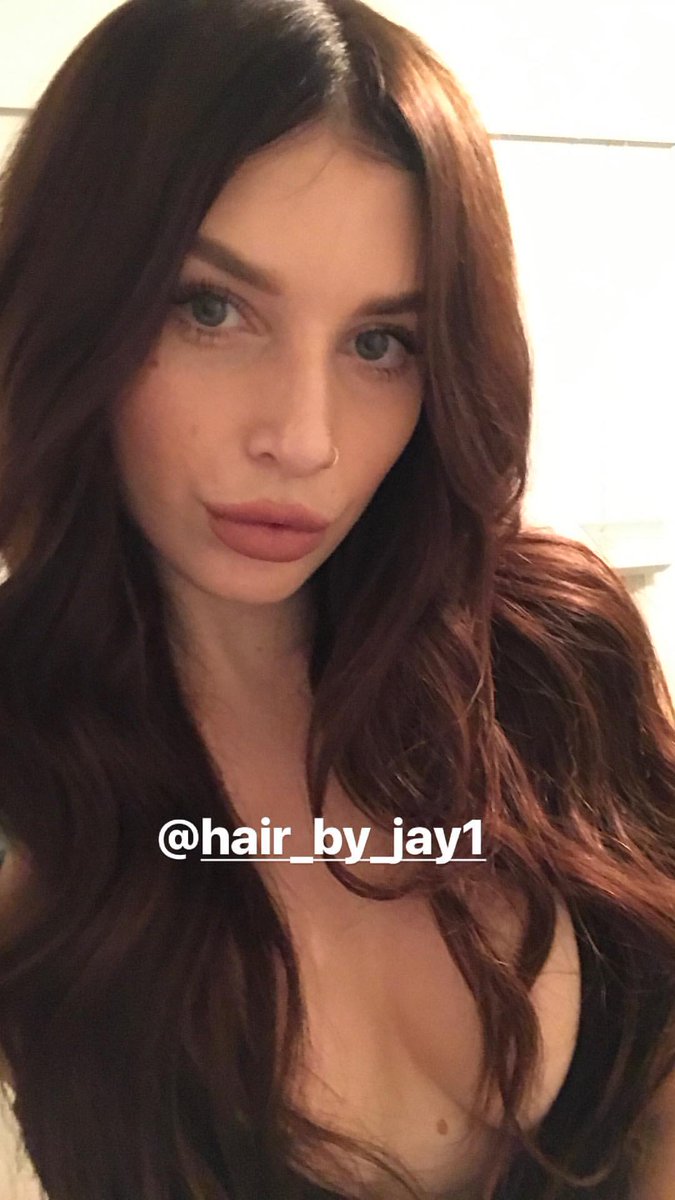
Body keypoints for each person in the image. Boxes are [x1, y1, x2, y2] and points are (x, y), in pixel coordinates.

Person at [0, 1, 673, 1198]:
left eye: (380, 343)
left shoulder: (557, 654)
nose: (304, 438)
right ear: (78, 301)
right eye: (211, 309)